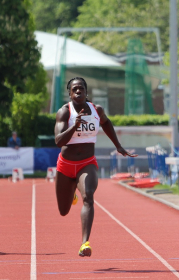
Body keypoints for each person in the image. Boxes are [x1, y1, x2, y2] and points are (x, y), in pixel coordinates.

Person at [54, 77, 137, 257]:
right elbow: (58, 141)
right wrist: (74, 127)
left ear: (86, 92)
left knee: (89, 196)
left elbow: (106, 123)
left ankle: (85, 243)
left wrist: (118, 145)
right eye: (74, 89)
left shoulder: (96, 110)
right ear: (69, 93)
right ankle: (72, 191)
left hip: (87, 163)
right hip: (66, 166)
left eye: (81, 89)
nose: (78, 92)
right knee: (63, 210)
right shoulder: (64, 112)